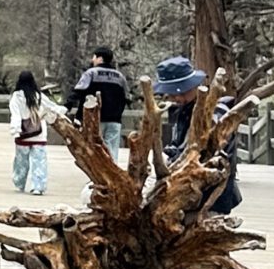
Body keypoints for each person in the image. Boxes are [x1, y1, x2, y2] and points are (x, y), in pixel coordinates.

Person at [152, 54, 242, 215]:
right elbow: (178, 145)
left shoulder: (216, 112)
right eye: (172, 94)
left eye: (182, 92)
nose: (177, 98)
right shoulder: (183, 112)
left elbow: (211, 153)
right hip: (183, 193)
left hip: (211, 195)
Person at [70, 46, 130, 157]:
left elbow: (79, 92)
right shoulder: (120, 76)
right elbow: (127, 97)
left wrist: (68, 106)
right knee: (111, 151)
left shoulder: (91, 73)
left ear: (100, 58)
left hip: (95, 119)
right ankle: (111, 168)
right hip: (115, 120)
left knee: (95, 152)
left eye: (94, 57)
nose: (92, 60)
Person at [9, 68, 50, 195]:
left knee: (21, 161)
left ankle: (19, 182)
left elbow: (15, 115)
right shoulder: (39, 96)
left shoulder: (16, 97)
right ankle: (38, 186)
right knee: (39, 161)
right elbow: (51, 108)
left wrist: (15, 130)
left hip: (23, 134)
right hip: (39, 133)